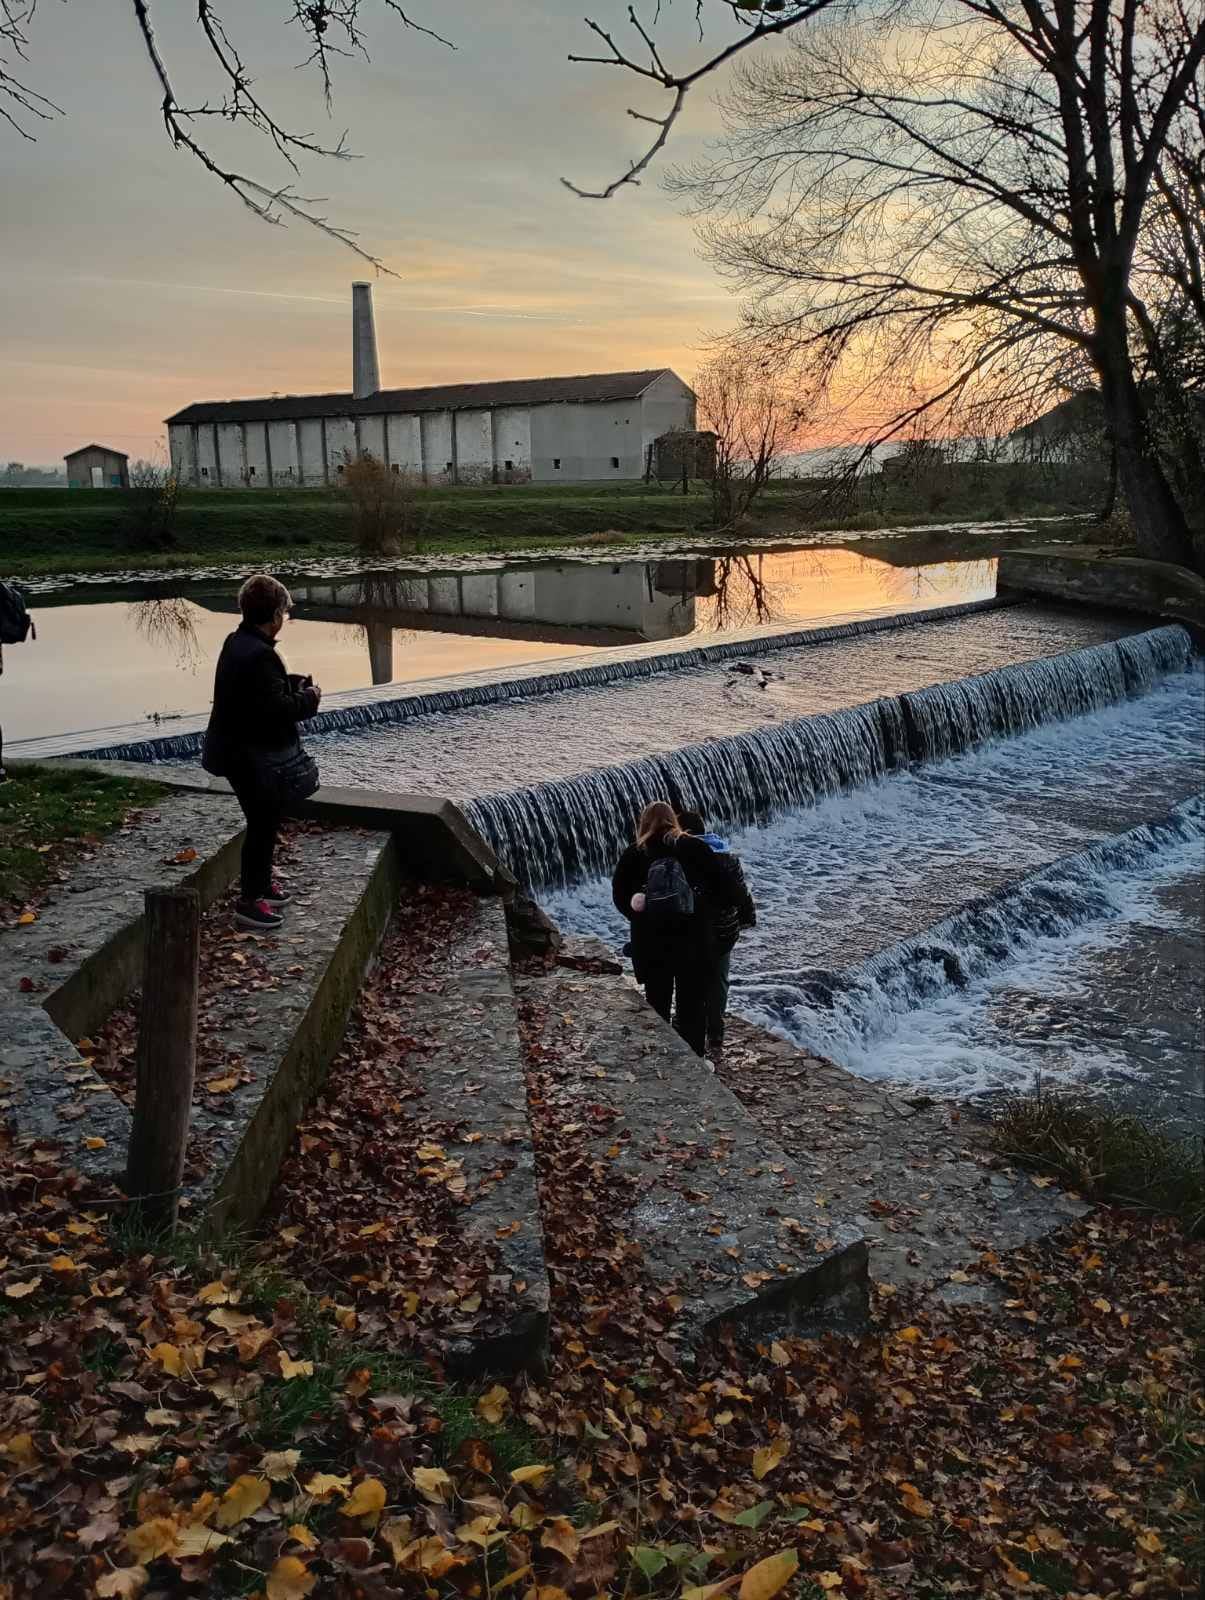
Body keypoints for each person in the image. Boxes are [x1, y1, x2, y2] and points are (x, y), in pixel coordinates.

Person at [202, 574, 321, 930]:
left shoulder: (236, 642)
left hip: (234, 749)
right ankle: (249, 902)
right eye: (283, 611)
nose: (284, 617)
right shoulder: (261, 655)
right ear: (274, 615)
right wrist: (309, 699)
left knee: (264, 822)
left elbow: (255, 697)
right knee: (261, 824)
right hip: (248, 756)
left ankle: (261, 886)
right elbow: (277, 712)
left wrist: (287, 685)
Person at [611, 800, 735, 1056]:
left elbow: (619, 895)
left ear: (644, 823)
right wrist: (701, 908)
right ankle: (695, 1060)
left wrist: (639, 916)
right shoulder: (694, 847)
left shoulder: (635, 852)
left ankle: (660, 1057)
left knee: (658, 1003)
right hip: (693, 941)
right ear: (674, 821)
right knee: (692, 1006)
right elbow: (725, 890)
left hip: (652, 942)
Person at [676, 808, 756, 1053]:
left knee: (692, 979)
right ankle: (716, 1031)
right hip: (725, 929)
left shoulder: (684, 857)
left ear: (685, 832)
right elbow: (740, 891)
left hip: (696, 930)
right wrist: (746, 917)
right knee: (719, 980)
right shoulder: (727, 855)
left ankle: (686, 1027)